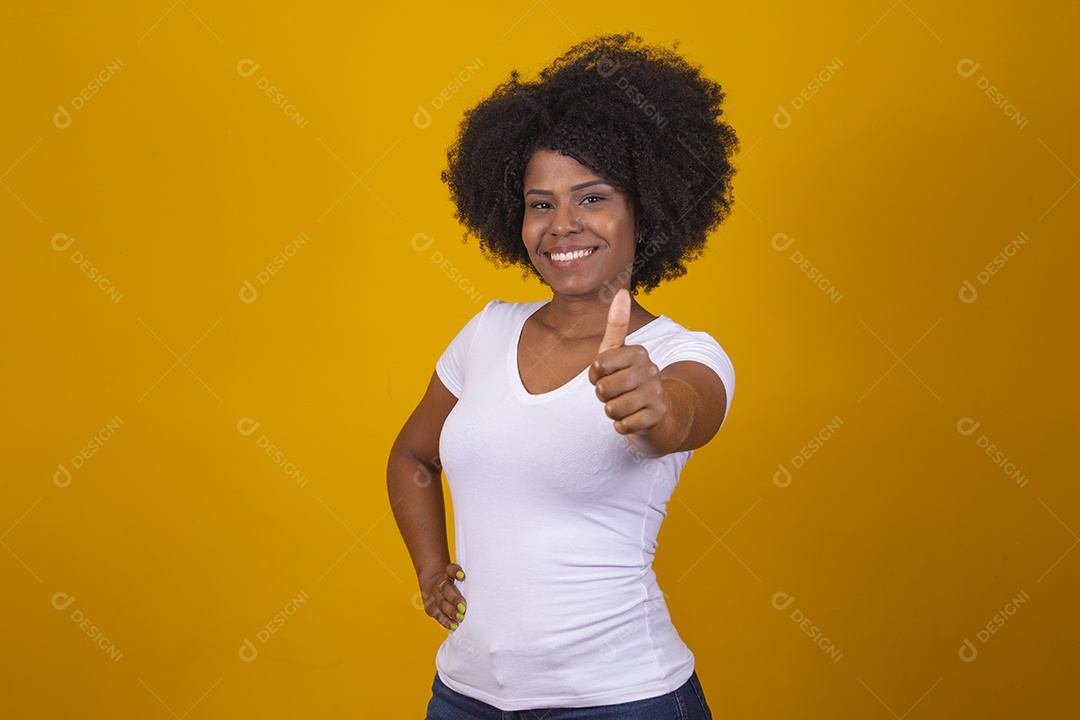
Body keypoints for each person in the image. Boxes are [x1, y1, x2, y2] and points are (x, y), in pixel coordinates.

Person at [387, 32, 739, 719]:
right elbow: (413, 454)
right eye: (540, 203)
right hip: (466, 698)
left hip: (623, 701)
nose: (562, 225)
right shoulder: (485, 330)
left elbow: (688, 412)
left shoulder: (681, 351)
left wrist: (653, 403)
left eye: (593, 197)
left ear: (648, 207)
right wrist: (432, 569)